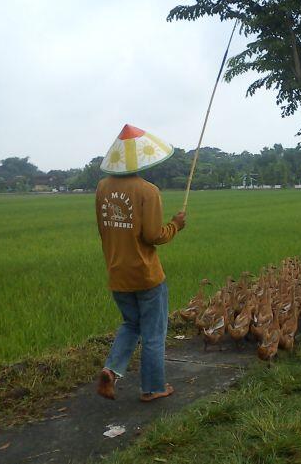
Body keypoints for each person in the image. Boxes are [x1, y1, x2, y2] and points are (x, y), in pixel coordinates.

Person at [95, 124, 185, 402]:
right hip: (146, 276)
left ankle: (111, 370)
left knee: (131, 324)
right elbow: (153, 235)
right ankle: (153, 388)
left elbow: (103, 228)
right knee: (154, 334)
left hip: (117, 273)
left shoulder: (102, 188)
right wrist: (175, 225)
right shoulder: (148, 191)